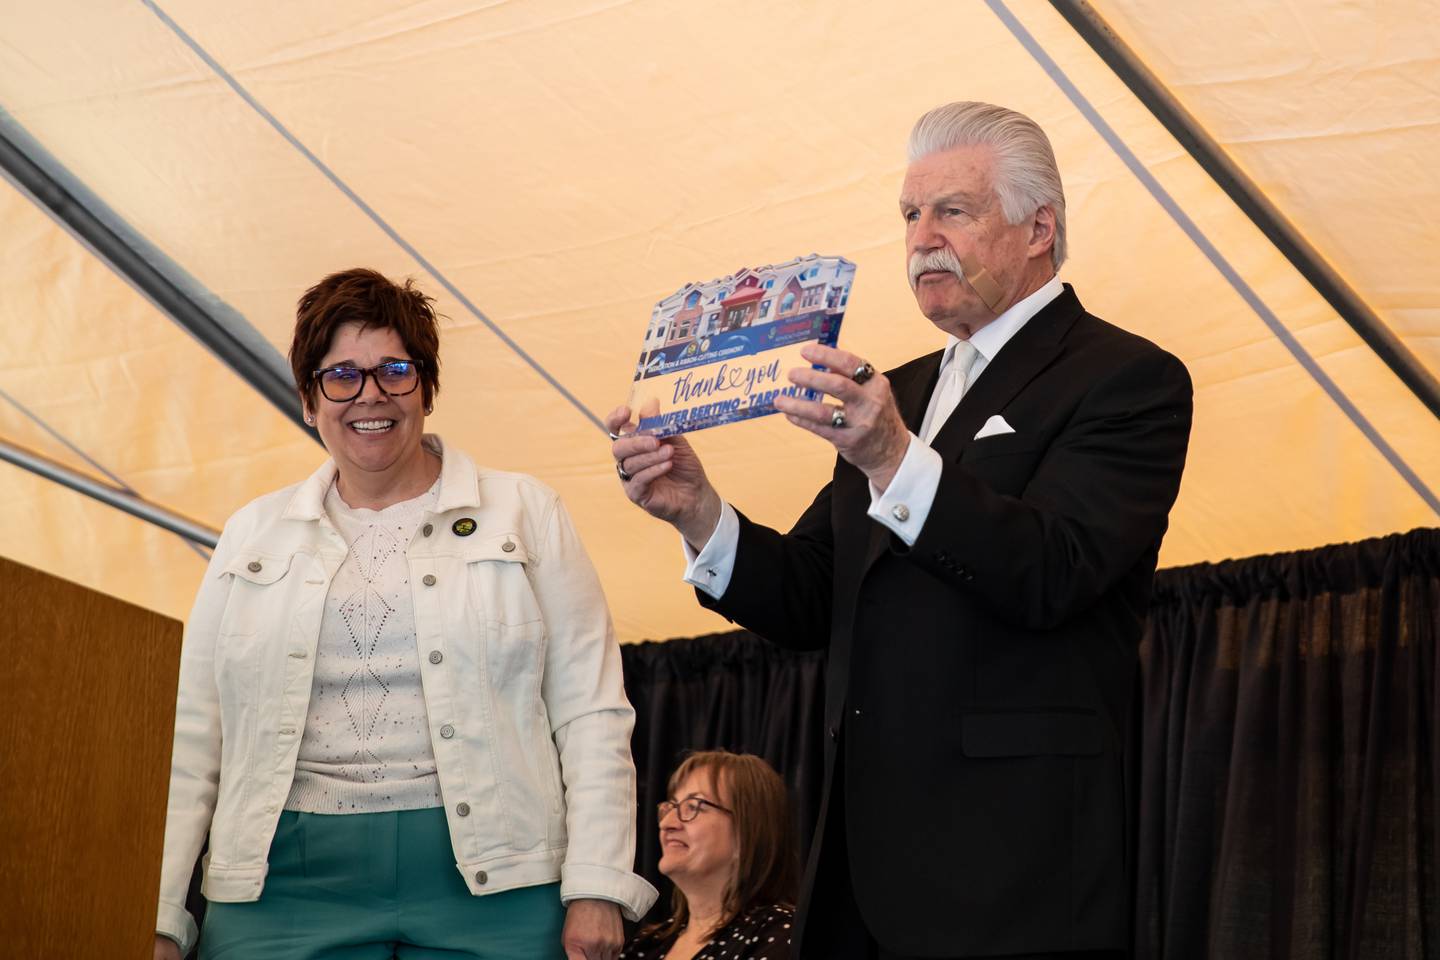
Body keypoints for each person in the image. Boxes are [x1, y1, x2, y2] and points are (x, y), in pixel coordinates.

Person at [608, 102, 1193, 959]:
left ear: (1040, 228)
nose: (922, 238)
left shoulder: (1125, 377)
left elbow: (1054, 570)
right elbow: (811, 594)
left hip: (1012, 869)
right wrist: (697, 510)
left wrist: (892, 459)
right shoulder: (903, 389)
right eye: (909, 215)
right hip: (860, 867)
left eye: (952, 211)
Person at [155, 268, 655, 960]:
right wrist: (160, 915)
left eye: (394, 370)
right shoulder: (251, 533)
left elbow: (591, 711)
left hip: (497, 881)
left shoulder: (525, 511)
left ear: (426, 387)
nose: (371, 395)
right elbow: (194, 733)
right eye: (341, 376)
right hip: (281, 885)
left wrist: (597, 884)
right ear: (308, 399)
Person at [620, 751, 797, 960]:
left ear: (748, 830)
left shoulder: (781, 935)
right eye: (671, 807)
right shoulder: (646, 945)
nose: (667, 824)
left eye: (693, 807)